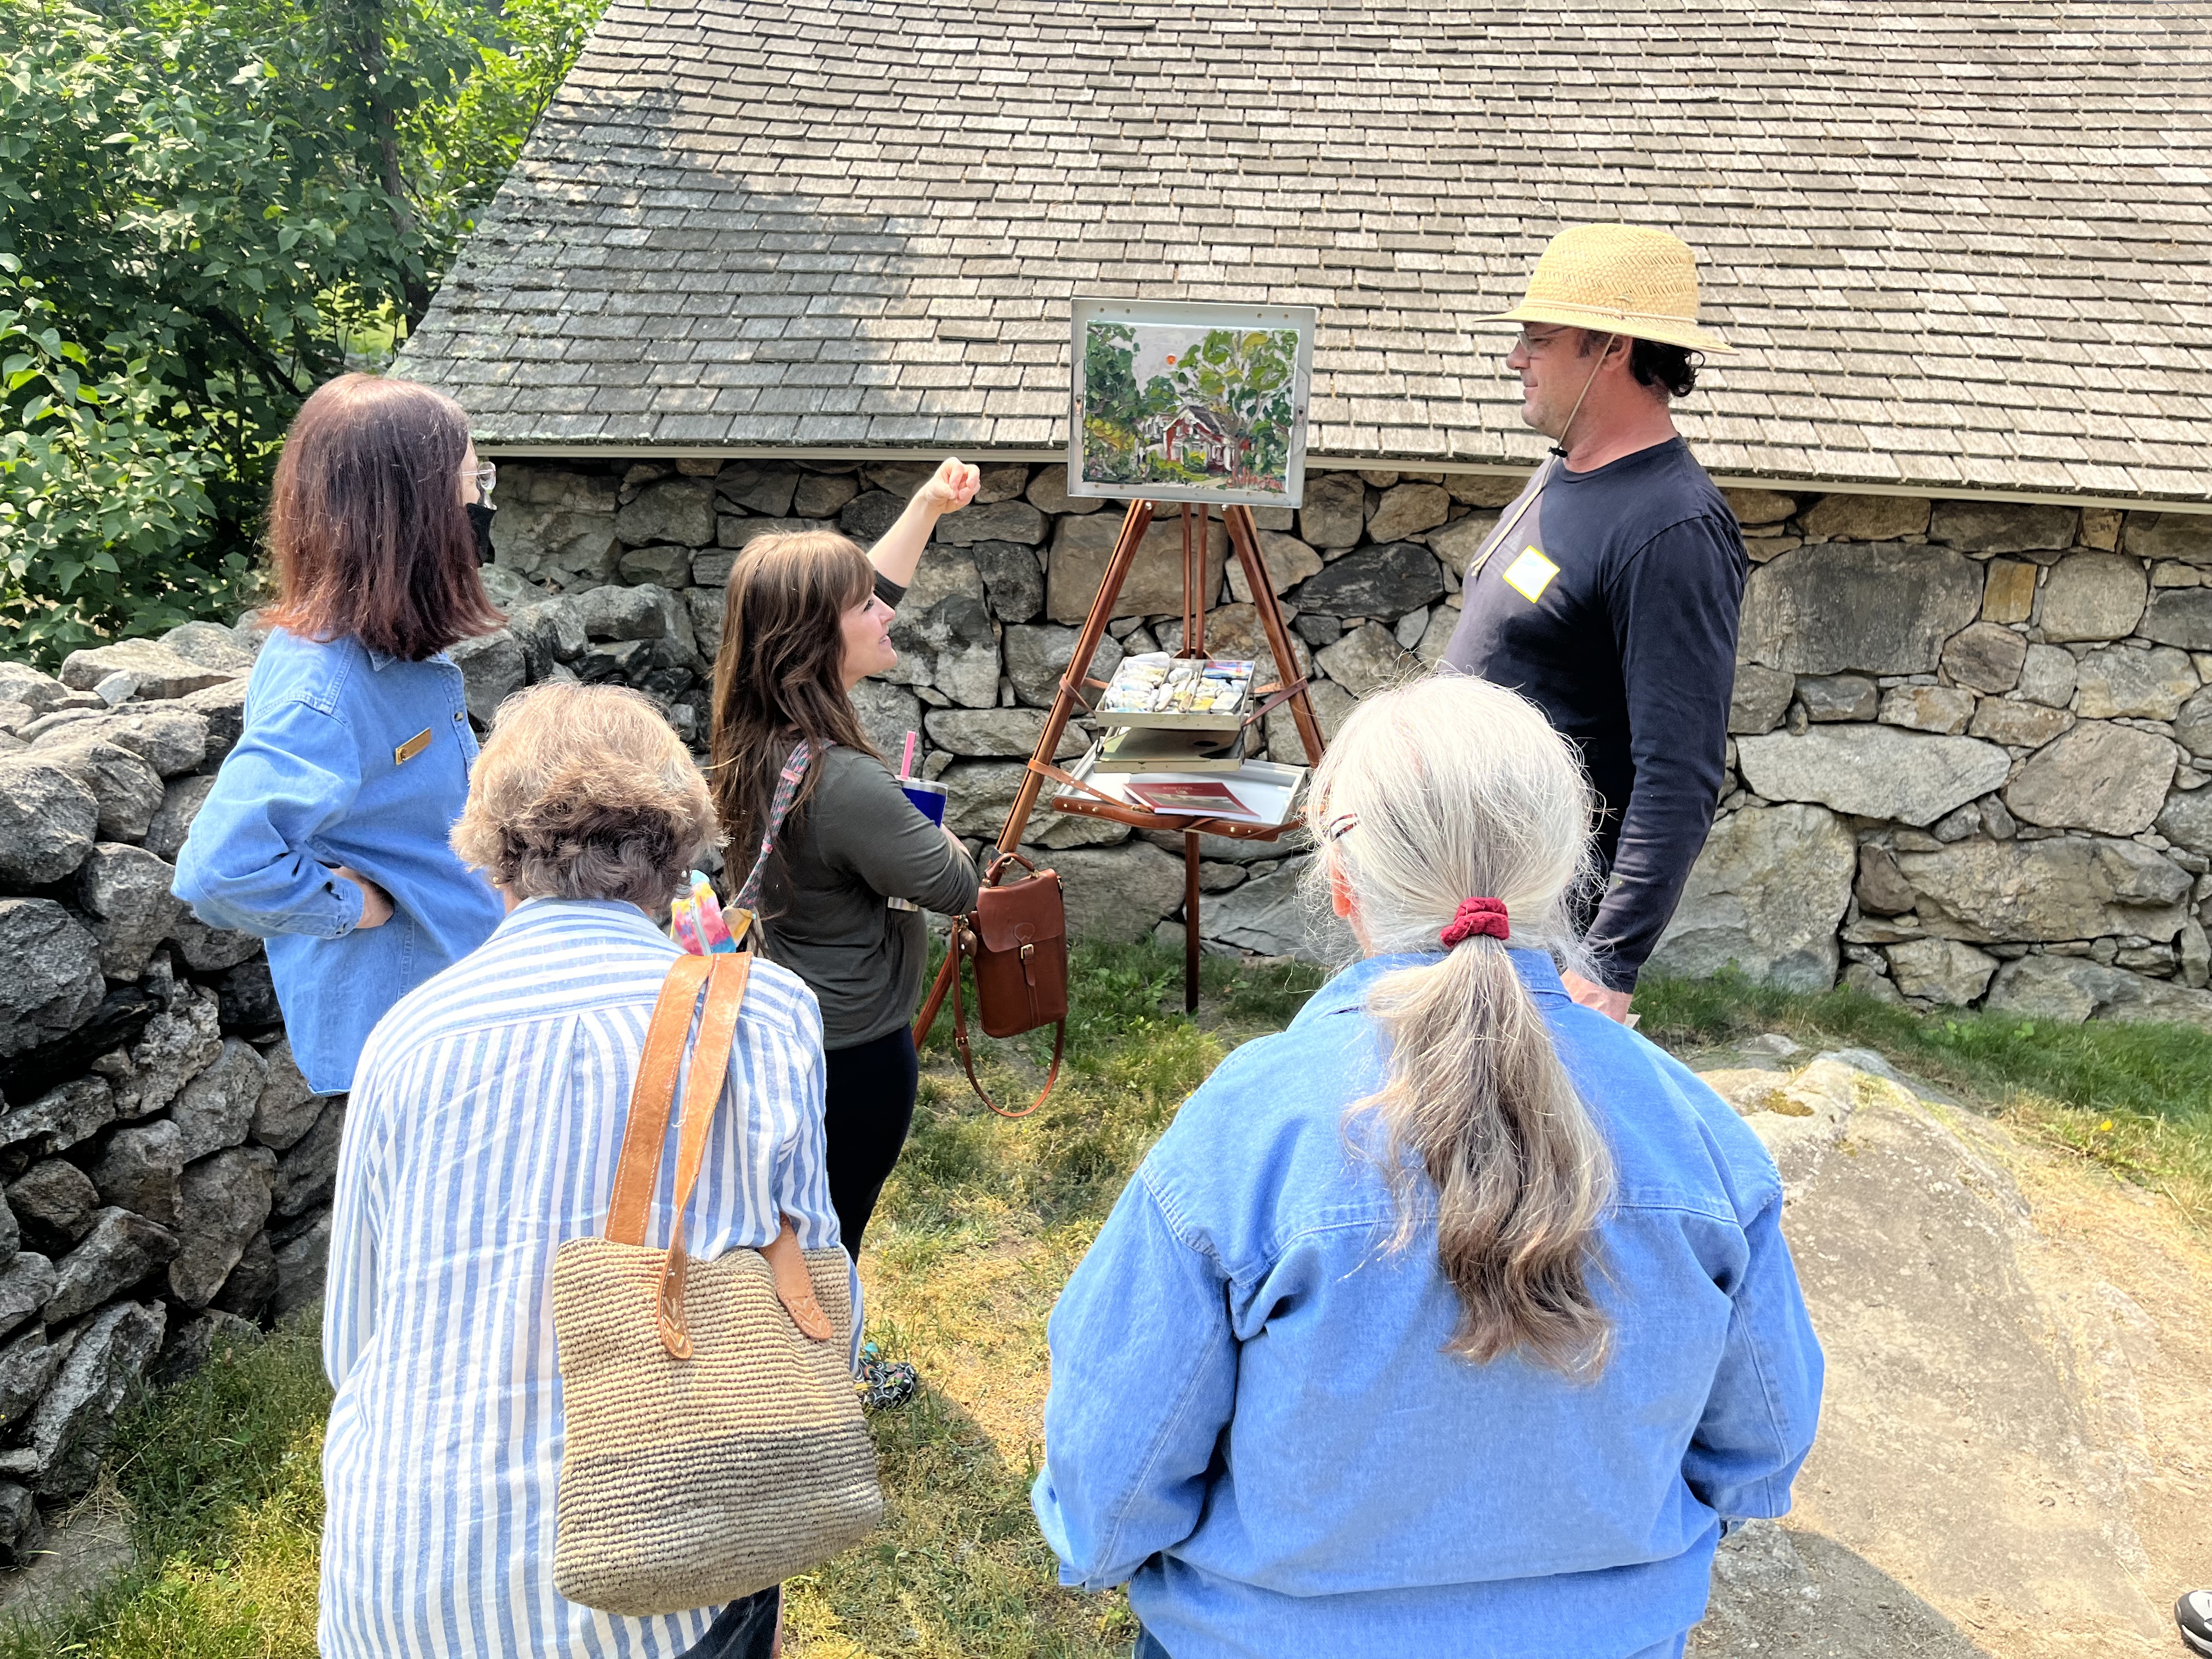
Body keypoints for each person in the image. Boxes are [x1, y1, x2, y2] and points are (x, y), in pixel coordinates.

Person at [1031, 674, 1824, 1659]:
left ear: (1342, 880)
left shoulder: (1244, 1135)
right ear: (1569, 868)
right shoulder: (1699, 1134)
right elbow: (1758, 1456)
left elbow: (1110, 1492)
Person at [320, 681, 842, 1659]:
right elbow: (812, 1298)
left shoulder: (408, 1035)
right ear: (677, 849)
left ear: (490, 855)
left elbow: (355, 1345)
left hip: (404, 1581)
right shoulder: (767, 1014)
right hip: (667, 1573)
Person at [1441, 222, 1750, 1023]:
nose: (1516, 359)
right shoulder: (1565, 471)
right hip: (1473, 895)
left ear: (1611, 348)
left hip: (1546, 928)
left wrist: (1608, 965)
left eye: (1540, 340)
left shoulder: (1673, 529)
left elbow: (1679, 772)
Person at [172, 372, 507, 1095]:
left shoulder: (394, 643)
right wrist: (354, 906)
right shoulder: (327, 686)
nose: (483, 499)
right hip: (411, 1051)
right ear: (411, 512)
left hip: (453, 1009)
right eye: (471, 479)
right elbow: (219, 869)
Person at [707, 460, 983, 1257]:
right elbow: (950, 883)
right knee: (835, 1239)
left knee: (794, 1229)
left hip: (788, 1029)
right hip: (856, 1055)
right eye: (867, 608)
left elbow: (870, 597)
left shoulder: (753, 733)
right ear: (816, 639)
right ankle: (821, 1369)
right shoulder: (848, 783)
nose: (887, 615)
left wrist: (928, 507)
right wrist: (929, 829)